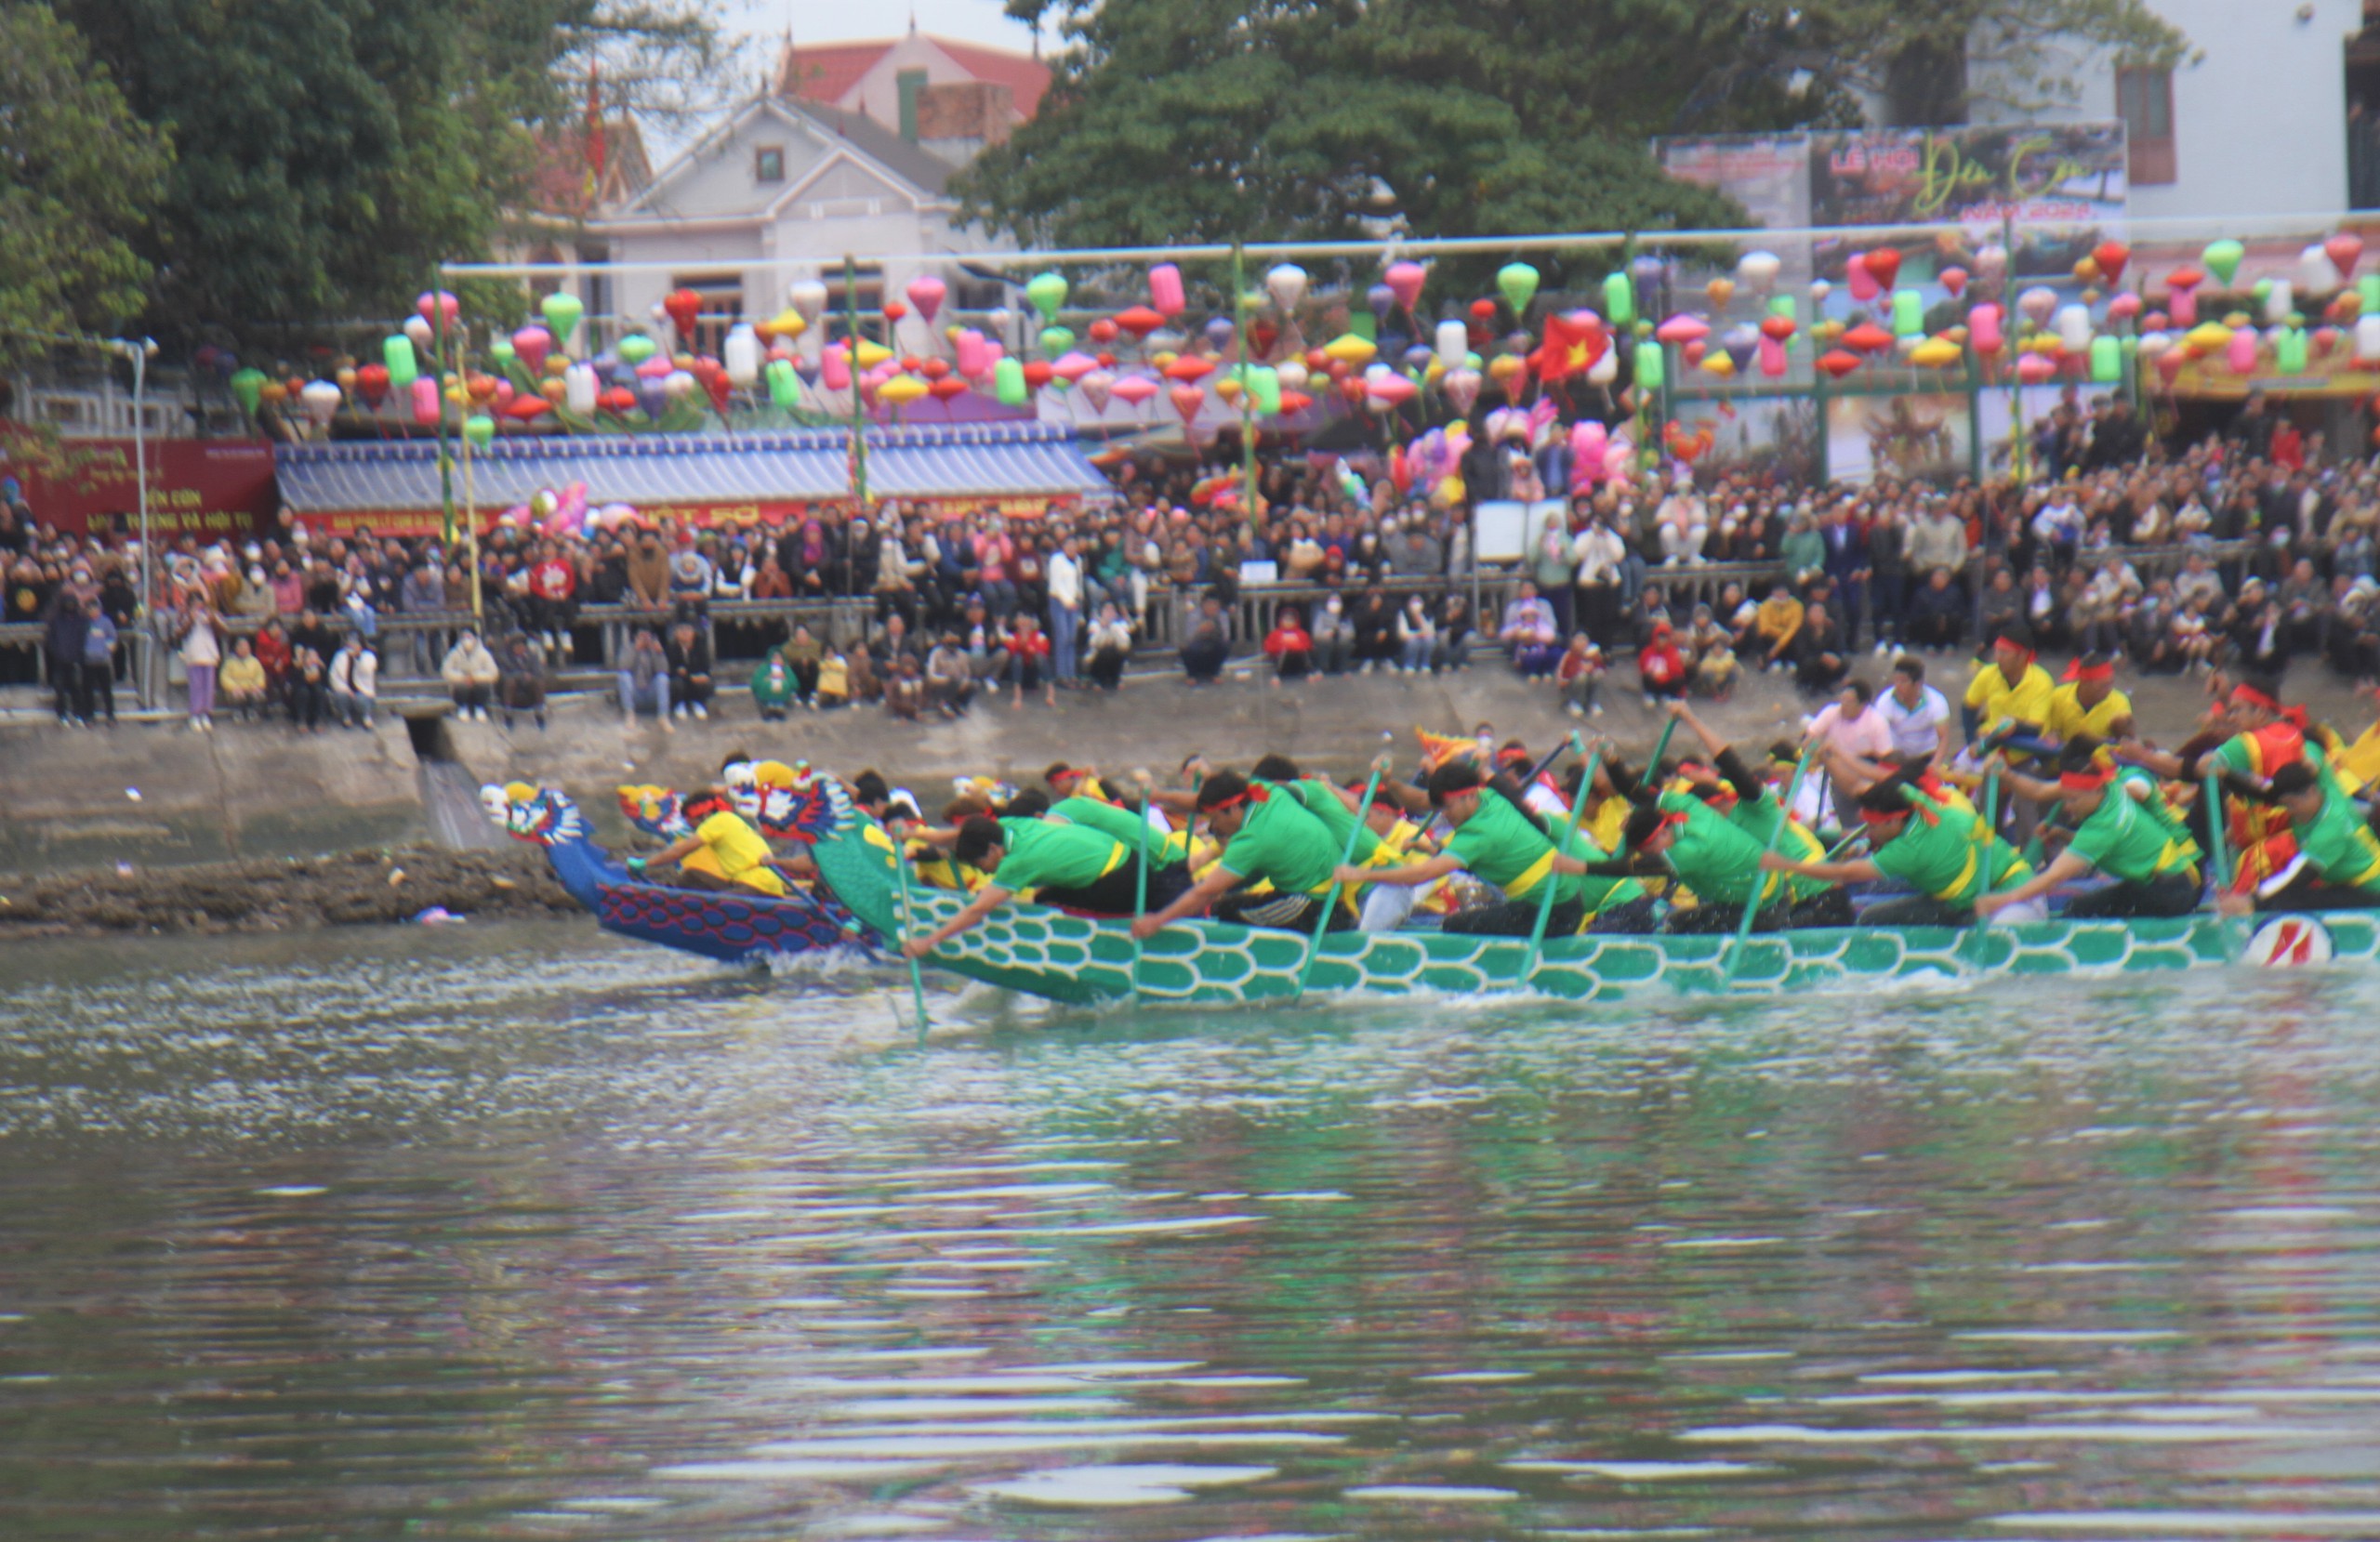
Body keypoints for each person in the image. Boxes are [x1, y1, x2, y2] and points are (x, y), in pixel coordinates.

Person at [1355, 759, 1654, 935]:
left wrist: (1362, 876)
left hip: (1558, 911)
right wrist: (1391, 783)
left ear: (1467, 796)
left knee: (1458, 925)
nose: (1444, 815)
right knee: (1481, 914)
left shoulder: (1480, 834)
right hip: (1556, 901)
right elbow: (1422, 802)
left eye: (1447, 807)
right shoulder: (1490, 798)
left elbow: (1421, 875)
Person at [1772, 771, 2043, 927]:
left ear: (1893, 821)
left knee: (1872, 919)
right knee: (1871, 916)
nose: (1869, 832)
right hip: (1964, 895)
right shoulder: (1921, 802)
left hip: (2011, 896)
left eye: (1874, 827)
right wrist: (1830, 752)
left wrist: (1788, 865)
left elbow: (1848, 873)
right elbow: (1861, 785)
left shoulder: (1910, 848)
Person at [1978, 742, 2204, 919]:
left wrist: (2001, 901)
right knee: (2082, 907)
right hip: (2168, 878)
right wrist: (2005, 774)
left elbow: (2052, 878)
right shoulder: (2110, 787)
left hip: (2175, 890)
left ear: (2096, 791)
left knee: (2081, 910)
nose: (2067, 807)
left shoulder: (2105, 824)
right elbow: (2038, 789)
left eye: (2073, 801)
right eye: (2065, 798)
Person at [1132, 769, 1352, 936]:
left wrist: (1157, 921)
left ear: (1234, 809)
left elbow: (1205, 892)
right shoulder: (1266, 792)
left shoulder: (1252, 839)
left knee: (1224, 909)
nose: (1213, 828)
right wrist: (1159, 795)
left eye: (1215, 819)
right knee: (1231, 893)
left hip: (1314, 904)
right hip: (1330, 886)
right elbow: (1200, 803)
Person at [906, 812, 1146, 957]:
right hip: (1129, 855)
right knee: (1042, 894)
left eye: (982, 864)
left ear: (992, 849)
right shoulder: (1010, 825)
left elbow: (978, 910)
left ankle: (1089, 952)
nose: (985, 871)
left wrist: (929, 941)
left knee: (1046, 902)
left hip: (1121, 880)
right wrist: (911, 835)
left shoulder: (1016, 863)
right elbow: (956, 836)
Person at [2221, 761, 2380, 912]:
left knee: (2287, 900)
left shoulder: (2331, 830)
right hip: (2347, 885)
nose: (2288, 811)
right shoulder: (2326, 788)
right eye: (2285, 804)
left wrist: (2251, 900)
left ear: (2311, 792)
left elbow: (2296, 875)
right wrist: (2223, 773)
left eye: (2291, 804)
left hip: (2371, 892)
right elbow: (2268, 795)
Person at [628, 787, 788, 896]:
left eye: (696, 825)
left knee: (716, 906)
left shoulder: (717, 820)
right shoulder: (732, 819)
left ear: (704, 816)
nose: (697, 831)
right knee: (691, 875)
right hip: (758, 883)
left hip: (757, 885)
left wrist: (645, 864)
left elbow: (679, 851)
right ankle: (667, 896)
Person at [2044, 652, 2135, 745]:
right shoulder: (2059, 696)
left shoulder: (2120, 702)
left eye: (2110, 684)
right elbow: (2051, 731)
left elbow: (2125, 741)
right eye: (2102, 686)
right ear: (2084, 682)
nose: (2108, 690)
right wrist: (2051, 737)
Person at [1876, 655, 1951, 766]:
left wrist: (1934, 764)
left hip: (1928, 756)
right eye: (1895, 681)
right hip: (1897, 757)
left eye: (1903, 682)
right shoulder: (1885, 700)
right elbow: (1879, 734)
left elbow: (1944, 737)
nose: (1897, 686)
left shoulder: (1936, 701)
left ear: (1918, 684)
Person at [42, 591, 87, 726]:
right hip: (60, 660)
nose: (70, 606)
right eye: (67, 604)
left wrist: (78, 654)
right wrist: (57, 652)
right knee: (59, 689)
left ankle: (79, 714)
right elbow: (50, 639)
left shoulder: (81, 620)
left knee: (77, 689)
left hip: (75, 660)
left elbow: (83, 638)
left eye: (72, 604)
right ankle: (62, 715)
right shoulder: (56, 620)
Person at [178, 595, 222, 731]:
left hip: (209, 655)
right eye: (196, 604)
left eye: (201, 603)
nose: (199, 606)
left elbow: (222, 631)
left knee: (208, 686)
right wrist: (191, 619)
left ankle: (206, 714)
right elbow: (179, 633)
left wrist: (212, 620)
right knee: (196, 686)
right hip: (194, 655)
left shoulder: (210, 615)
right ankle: (195, 715)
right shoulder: (184, 616)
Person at [617, 626, 673, 730]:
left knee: (662, 678)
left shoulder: (654, 649)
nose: (645, 640)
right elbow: (623, 666)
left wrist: (659, 653)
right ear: (636, 637)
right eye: (642, 636)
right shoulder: (628, 648)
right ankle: (630, 714)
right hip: (635, 693)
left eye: (647, 637)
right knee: (624, 676)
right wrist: (636, 650)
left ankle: (663, 716)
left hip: (650, 691)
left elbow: (664, 670)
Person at [442, 628, 498, 721]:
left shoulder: (483, 653)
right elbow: (445, 671)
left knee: (483, 686)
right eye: (464, 637)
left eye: (469, 637)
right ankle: (463, 707)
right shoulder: (454, 653)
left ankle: (479, 707)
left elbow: (493, 673)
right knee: (461, 687)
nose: (466, 640)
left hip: (478, 684)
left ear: (475, 639)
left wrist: (475, 677)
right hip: (462, 685)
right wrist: (463, 677)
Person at [496, 631, 549, 731]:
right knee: (510, 682)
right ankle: (508, 717)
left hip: (528, 691)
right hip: (511, 693)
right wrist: (521, 675)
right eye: (517, 645)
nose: (521, 648)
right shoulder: (503, 658)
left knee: (539, 682)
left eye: (522, 645)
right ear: (512, 647)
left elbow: (539, 672)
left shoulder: (532, 656)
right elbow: (502, 676)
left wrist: (531, 677)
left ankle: (539, 715)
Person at [666, 619, 713, 720]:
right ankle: (679, 704)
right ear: (676, 633)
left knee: (706, 683)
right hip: (679, 681)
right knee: (676, 684)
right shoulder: (670, 648)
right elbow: (669, 669)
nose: (685, 633)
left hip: (696, 679)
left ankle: (698, 702)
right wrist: (686, 674)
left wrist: (701, 676)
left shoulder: (700, 647)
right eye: (681, 630)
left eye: (688, 630)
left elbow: (705, 667)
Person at [327, 632, 377, 729]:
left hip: (363, 691)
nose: (352, 645)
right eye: (350, 643)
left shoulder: (368, 656)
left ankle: (366, 717)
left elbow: (367, 669)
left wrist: (357, 657)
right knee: (340, 696)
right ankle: (346, 717)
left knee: (361, 699)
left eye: (355, 643)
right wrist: (347, 690)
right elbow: (333, 676)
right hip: (345, 690)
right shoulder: (340, 656)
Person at [1083, 602, 1133, 692]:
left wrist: (1112, 627)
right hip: (1098, 655)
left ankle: (1116, 680)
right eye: (1107, 610)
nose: (1109, 613)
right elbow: (1093, 643)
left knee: (1119, 652)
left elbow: (1125, 643)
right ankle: (1098, 681)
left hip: (1115, 654)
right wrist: (1103, 629)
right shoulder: (1094, 624)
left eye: (1112, 610)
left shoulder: (1121, 623)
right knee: (1101, 653)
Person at [1262, 602, 1314, 684]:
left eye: (1291, 620)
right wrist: (1283, 646)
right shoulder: (1275, 634)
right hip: (1282, 662)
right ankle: (1277, 675)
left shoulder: (1302, 634)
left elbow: (1308, 646)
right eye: (1285, 619)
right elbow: (1269, 648)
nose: (1288, 622)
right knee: (1284, 651)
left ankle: (1309, 673)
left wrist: (1293, 646)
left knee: (1303, 651)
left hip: (1297, 662)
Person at [218, 637, 267, 721]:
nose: (244, 649)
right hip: (236, 689)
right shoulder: (229, 662)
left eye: (247, 647)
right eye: (241, 647)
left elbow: (260, 675)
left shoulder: (254, 661)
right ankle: (237, 711)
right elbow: (224, 677)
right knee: (236, 696)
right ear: (236, 648)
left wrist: (257, 685)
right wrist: (234, 687)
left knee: (259, 695)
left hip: (251, 687)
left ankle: (252, 710)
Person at [1557, 633, 1604, 718]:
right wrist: (1578, 670)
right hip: (1572, 686)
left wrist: (1593, 668)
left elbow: (1601, 669)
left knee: (1597, 674)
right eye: (1578, 640)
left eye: (1584, 639)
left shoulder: (1594, 655)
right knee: (1581, 677)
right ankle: (1574, 703)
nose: (1581, 642)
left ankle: (1592, 702)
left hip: (1588, 684)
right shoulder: (1569, 655)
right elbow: (1561, 679)